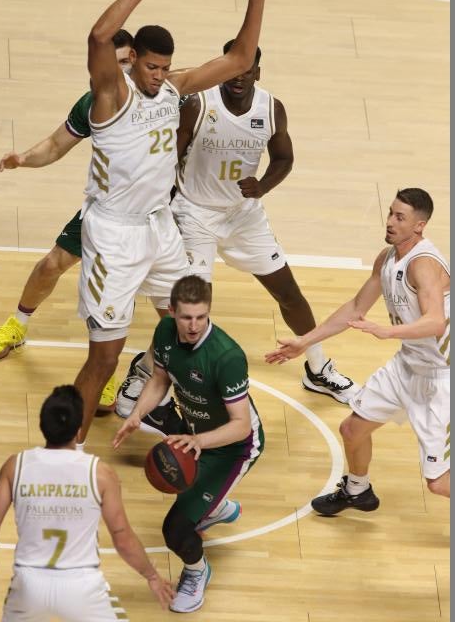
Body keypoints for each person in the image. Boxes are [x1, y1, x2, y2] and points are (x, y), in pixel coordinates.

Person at [75, 0, 285, 447]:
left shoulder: (172, 90)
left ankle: (161, 392)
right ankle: (71, 451)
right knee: (102, 354)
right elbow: (100, 37)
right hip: (114, 237)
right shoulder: (109, 96)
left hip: (159, 227)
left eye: (165, 68)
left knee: (188, 319)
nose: (159, 76)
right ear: (133, 61)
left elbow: (238, 60)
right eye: (151, 66)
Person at [117, 41, 356, 412]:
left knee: (289, 294)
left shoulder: (271, 109)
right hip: (195, 214)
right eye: (233, 70)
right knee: (190, 309)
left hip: (243, 215)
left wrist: (263, 185)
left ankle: (318, 366)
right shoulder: (199, 104)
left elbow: (284, 157)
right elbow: (168, 159)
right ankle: (148, 368)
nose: (239, 78)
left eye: (247, 71)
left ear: (257, 71)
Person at [266, 188, 450, 514]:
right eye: (391, 213)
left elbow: (436, 322)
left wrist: (388, 331)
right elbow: (355, 308)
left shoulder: (422, 265)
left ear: (419, 226)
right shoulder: (387, 258)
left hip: (442, 377)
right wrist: (305, 341)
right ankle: (357, 490)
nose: (390, 221)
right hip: (409, 364)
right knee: (352, 429)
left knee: (438, 483)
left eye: (400, 217)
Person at [0, 31, 134, 408]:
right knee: (50, 265)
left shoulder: (160, 100)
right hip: (104, 208)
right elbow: (54, 145)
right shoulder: (94, 103)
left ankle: (123, 371)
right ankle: (18, 324)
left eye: (127, 61)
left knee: (131, 297)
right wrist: (23, 159)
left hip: (149, 216)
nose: (120, 70)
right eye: (114, 63)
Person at [113, 275, 264, 613]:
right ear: (172, 312)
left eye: (201, 317)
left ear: (209, 312)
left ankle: (197, 571)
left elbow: (241, 426)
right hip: (195, 433)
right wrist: (137, 415)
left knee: (175, 530)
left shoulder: (226, 356)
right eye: (186, 317)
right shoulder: (165, 333)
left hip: (233, 446)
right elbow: (160, 379)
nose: (194, 325)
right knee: (181, 480)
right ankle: (217, 505)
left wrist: (197, 440)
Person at [0, 384, 174, 620]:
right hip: (82, 587)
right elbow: (123, 539)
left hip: (29, 585)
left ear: (42, 425)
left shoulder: (15, 466)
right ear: (79, 430)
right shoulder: (101, 474)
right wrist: (152, 576)